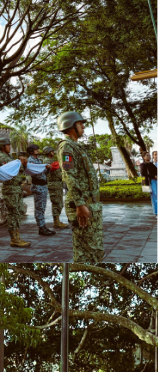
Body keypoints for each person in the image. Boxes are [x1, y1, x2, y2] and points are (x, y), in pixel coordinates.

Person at [56, 111, 104, 263]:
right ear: (70, 126)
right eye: (79, 123)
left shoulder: (76, 146)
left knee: (89, 249)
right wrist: (80, 203)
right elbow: (68, 175)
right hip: (82, 203)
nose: (83, 126)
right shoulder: (66, 148)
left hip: (88, 203)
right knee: (90, 250)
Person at [0, 137, 31, 249]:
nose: (9, 147)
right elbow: (9, 170)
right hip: (10, 189)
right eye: (7, 145)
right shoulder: (2, 157)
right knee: (13, 213)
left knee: (19, 211)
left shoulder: (10, 157)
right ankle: (14, 238)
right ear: (2, 147)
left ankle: (17, 236)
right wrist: (21, 163)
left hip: (16, 188)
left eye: (9, 145)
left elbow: (18, 171)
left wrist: (23, 165)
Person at [26, 143, 55, 236]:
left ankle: (43, 226)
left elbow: (43, 174)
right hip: (38, 186)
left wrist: (47, 169)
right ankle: (41, 227)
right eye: (36, 149)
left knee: (42, 207)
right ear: (31, 151)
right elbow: (35, 172)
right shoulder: (30, 161)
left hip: (42, 185)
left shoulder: (38, 160)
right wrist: (43, 168)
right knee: (39, 207)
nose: (38, 150)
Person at [44, 145, 68, 228]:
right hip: (54, 184)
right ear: (49, 152)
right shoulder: (48, 161)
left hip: (57, 184)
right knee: (57, 203)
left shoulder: (51, 160)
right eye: (52, 151)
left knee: (59, 203)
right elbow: (54, 173)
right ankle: (56, 221)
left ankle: (57, 220)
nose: (53, 152)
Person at [141, 151, 157, 216]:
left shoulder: (151, 164)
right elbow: (143, 173)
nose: (149, 156)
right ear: (143, 157)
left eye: (149, 155)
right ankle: (156, 212)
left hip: (155, 181)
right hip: (150, 182)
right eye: (147, 155)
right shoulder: (143, 164)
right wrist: (153, 176)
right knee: (155, 197)